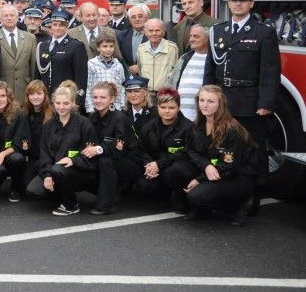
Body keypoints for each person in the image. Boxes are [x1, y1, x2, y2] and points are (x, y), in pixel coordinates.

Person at [209, 0, 280, 217]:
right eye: (233, 1)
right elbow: (210, 70)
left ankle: (252, 197)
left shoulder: (263, 32)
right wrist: (207, 99)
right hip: (223, 102)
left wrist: (266, 103)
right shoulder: (218, 31)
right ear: (228, 4)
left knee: (252, 152)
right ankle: (225, 195)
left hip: (250, 102)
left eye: (243, 1)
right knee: (222, 149)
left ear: (252, 4)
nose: (238, 4)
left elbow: (270, 71)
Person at [167, 85, 257, 224]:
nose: (204, 105)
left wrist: (199, 180)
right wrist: (206, 166)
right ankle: (202, 209)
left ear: (220, 104)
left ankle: (236, 206)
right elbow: (192, 151)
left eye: (210, 101)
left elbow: (229, 166)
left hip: (237, 176)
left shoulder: (231, 129)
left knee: (196, 195)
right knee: (176, 170)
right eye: (201, 100)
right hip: (214, 170)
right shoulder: (198, 125)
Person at [25, 85, 99, 216]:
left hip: (81, 171)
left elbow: (90, 154)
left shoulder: (84, 124)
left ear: (73, 103)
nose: (61, 107)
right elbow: (45, 154)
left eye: (66, 103)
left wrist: (74, 160)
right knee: (33, 191)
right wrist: (47, 175)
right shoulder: (48, 125)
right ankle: (60, 192)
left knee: (58, 170)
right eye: (58, 103)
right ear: (53, 104)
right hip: (54, 171)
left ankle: (71, 205)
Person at [87, 81, 142, 215]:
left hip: (130, 163)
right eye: (95, 97)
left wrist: (98, 149)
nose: (98, 101)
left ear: (112, 99)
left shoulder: (120, 118)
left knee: (105, 161)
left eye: (102, 97)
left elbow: (118, 149)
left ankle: (106, 205)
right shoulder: (93, 116)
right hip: (111, 160)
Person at [135, 87, 193, 209]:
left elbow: (186, 153)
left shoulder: (188, 127)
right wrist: (149, 165)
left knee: (176, 170)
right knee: (144, 187)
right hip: (155, 167)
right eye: (163, 107)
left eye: (172, 108)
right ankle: (162, 194)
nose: (167, 111)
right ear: (158, 107)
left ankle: (180, 196)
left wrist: (159, 164)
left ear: (179, 108)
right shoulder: (149, 127)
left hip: (176, 168)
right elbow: (142, 149)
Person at [33, 10, 88, 104]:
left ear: (67, 26)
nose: (57, 28)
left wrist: (78, 100)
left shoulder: (76, 45)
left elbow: (81, 76)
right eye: (55, 24)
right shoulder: (42, 45)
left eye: (61, 25)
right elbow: (37, 75)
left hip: (66, 97)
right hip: (45, 98)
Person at [0, 5, 37, 101]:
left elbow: (33, 67)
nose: (9, 18)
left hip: (24, 91)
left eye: (12, 15)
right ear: (0, 18)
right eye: (6, 16)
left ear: (17, 17)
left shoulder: (30, 38)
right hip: (1, 93)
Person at [14, 80, 54, 192]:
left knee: (36, 190)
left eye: (39, 93)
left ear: (45, 95)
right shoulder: (24, 113)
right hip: (32, 158)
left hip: (47, 158)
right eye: (31, 94)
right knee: (25, 185)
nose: (35, 97)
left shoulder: (52, 113)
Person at [170, 24, 213, 121]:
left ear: (208, 38)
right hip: (181, 116)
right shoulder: (184, 58)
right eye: (190, 36)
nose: (191, 40)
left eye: (196, 36)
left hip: (203, 116)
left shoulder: (214, 60)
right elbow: (172, 82)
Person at [85, 35, 126, 113]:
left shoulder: (118, 65)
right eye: (104, 46)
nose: (108, 49)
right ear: (98, 48)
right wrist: (90, 108)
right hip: (97, 106)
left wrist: (121, 105)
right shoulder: (91, 64)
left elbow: (121, 87)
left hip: (115, 106)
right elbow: (88, 87)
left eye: (111, 46)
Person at [136, 18, 179, 92]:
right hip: (146, 93)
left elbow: (176, 72)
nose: (154, 33)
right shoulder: (141, 49)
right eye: (150, 31)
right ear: (145, 32)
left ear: (163, 31)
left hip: (165, 93)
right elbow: (140, 70)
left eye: (157, 30)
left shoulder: (172, 48)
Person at [118, 4, 151, 72]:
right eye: (133, 17)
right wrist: (128, 68)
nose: (137, 19)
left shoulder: (153, 35)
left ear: (147, 18)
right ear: (129, 20)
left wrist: (141, 67)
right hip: (128, 75)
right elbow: (119, 57)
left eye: (140, 16)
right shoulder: (122, 35)